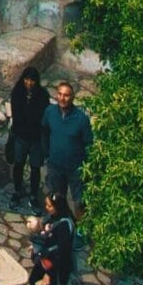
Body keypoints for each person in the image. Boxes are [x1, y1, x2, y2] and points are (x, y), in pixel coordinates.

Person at [28, 192, 77, 285]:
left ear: (57, 207)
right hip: (45, 260)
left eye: (49, 205)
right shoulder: (51, 218)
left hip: (58, 267)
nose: (46, 208)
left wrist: (50, 273)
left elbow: (61, 252)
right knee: (34, 280)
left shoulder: (65, 225)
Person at [41, 80, 92, 218]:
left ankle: (80, 232)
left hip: (75, 169)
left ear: (72, 98)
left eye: (66, 95)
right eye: (60, 94)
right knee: (56, 200)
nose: (62, 98)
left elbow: (88, 143)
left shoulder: (81, 119)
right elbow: (44, 131)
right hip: (55, 166)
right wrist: (46, 153)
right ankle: (59, 227)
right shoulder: (50, 112)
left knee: (80, 203)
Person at [5, 64, 49, 204]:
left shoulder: (42, 95)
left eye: (32, 80)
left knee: (35, 168)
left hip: (35, 139)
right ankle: (18, 190)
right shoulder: (17, 92)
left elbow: (41, 117)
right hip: (20, 137)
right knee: (18, 165)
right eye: (27, 79)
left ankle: (34, 195)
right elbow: (18, 116)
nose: (29, 83)